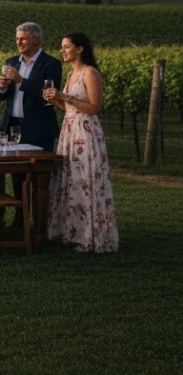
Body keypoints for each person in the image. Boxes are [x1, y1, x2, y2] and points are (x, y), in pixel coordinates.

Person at [43, 33, 118, 253]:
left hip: (85, 133)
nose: (62, 51)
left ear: (80, 49)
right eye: (61, 47)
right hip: (69, 130)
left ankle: (89, 237)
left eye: (66, 47)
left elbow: (94, 107)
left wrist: (63, 96)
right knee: (71, 181)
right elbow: (69, 108)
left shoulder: (90, 73)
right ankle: (72, 232)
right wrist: (55, 99)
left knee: (85, 180)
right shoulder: (71, 74)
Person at [0, 22, 62, 227]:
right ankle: (20, 218)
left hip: (39, 128)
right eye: (17, 38)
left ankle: (41, 224)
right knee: (17, 176)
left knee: (39, 180)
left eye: (23, 38)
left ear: (37, 39)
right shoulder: (11, 61)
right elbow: (0, 97)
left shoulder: (51, 64)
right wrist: (2, 87)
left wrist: (21, 80)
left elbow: (47, 97)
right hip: (13, 126)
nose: (19, 42)